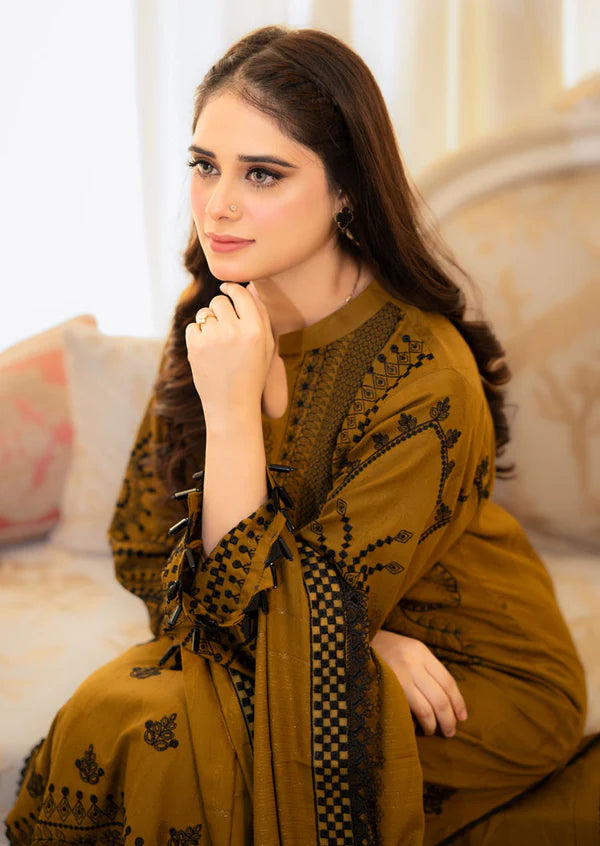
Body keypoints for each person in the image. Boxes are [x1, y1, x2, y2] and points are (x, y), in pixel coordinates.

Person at [6, 24, 599, 846]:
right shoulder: (215, 321)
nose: (219, 204)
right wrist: (357, 640)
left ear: (347, 188)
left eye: (263, 174)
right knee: (126, 713)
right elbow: (146, 549)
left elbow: (235, 619)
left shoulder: (425, 377)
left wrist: (234, 422)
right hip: (346, 640)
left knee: (148, 731)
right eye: (205, 165)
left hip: (471, 679)